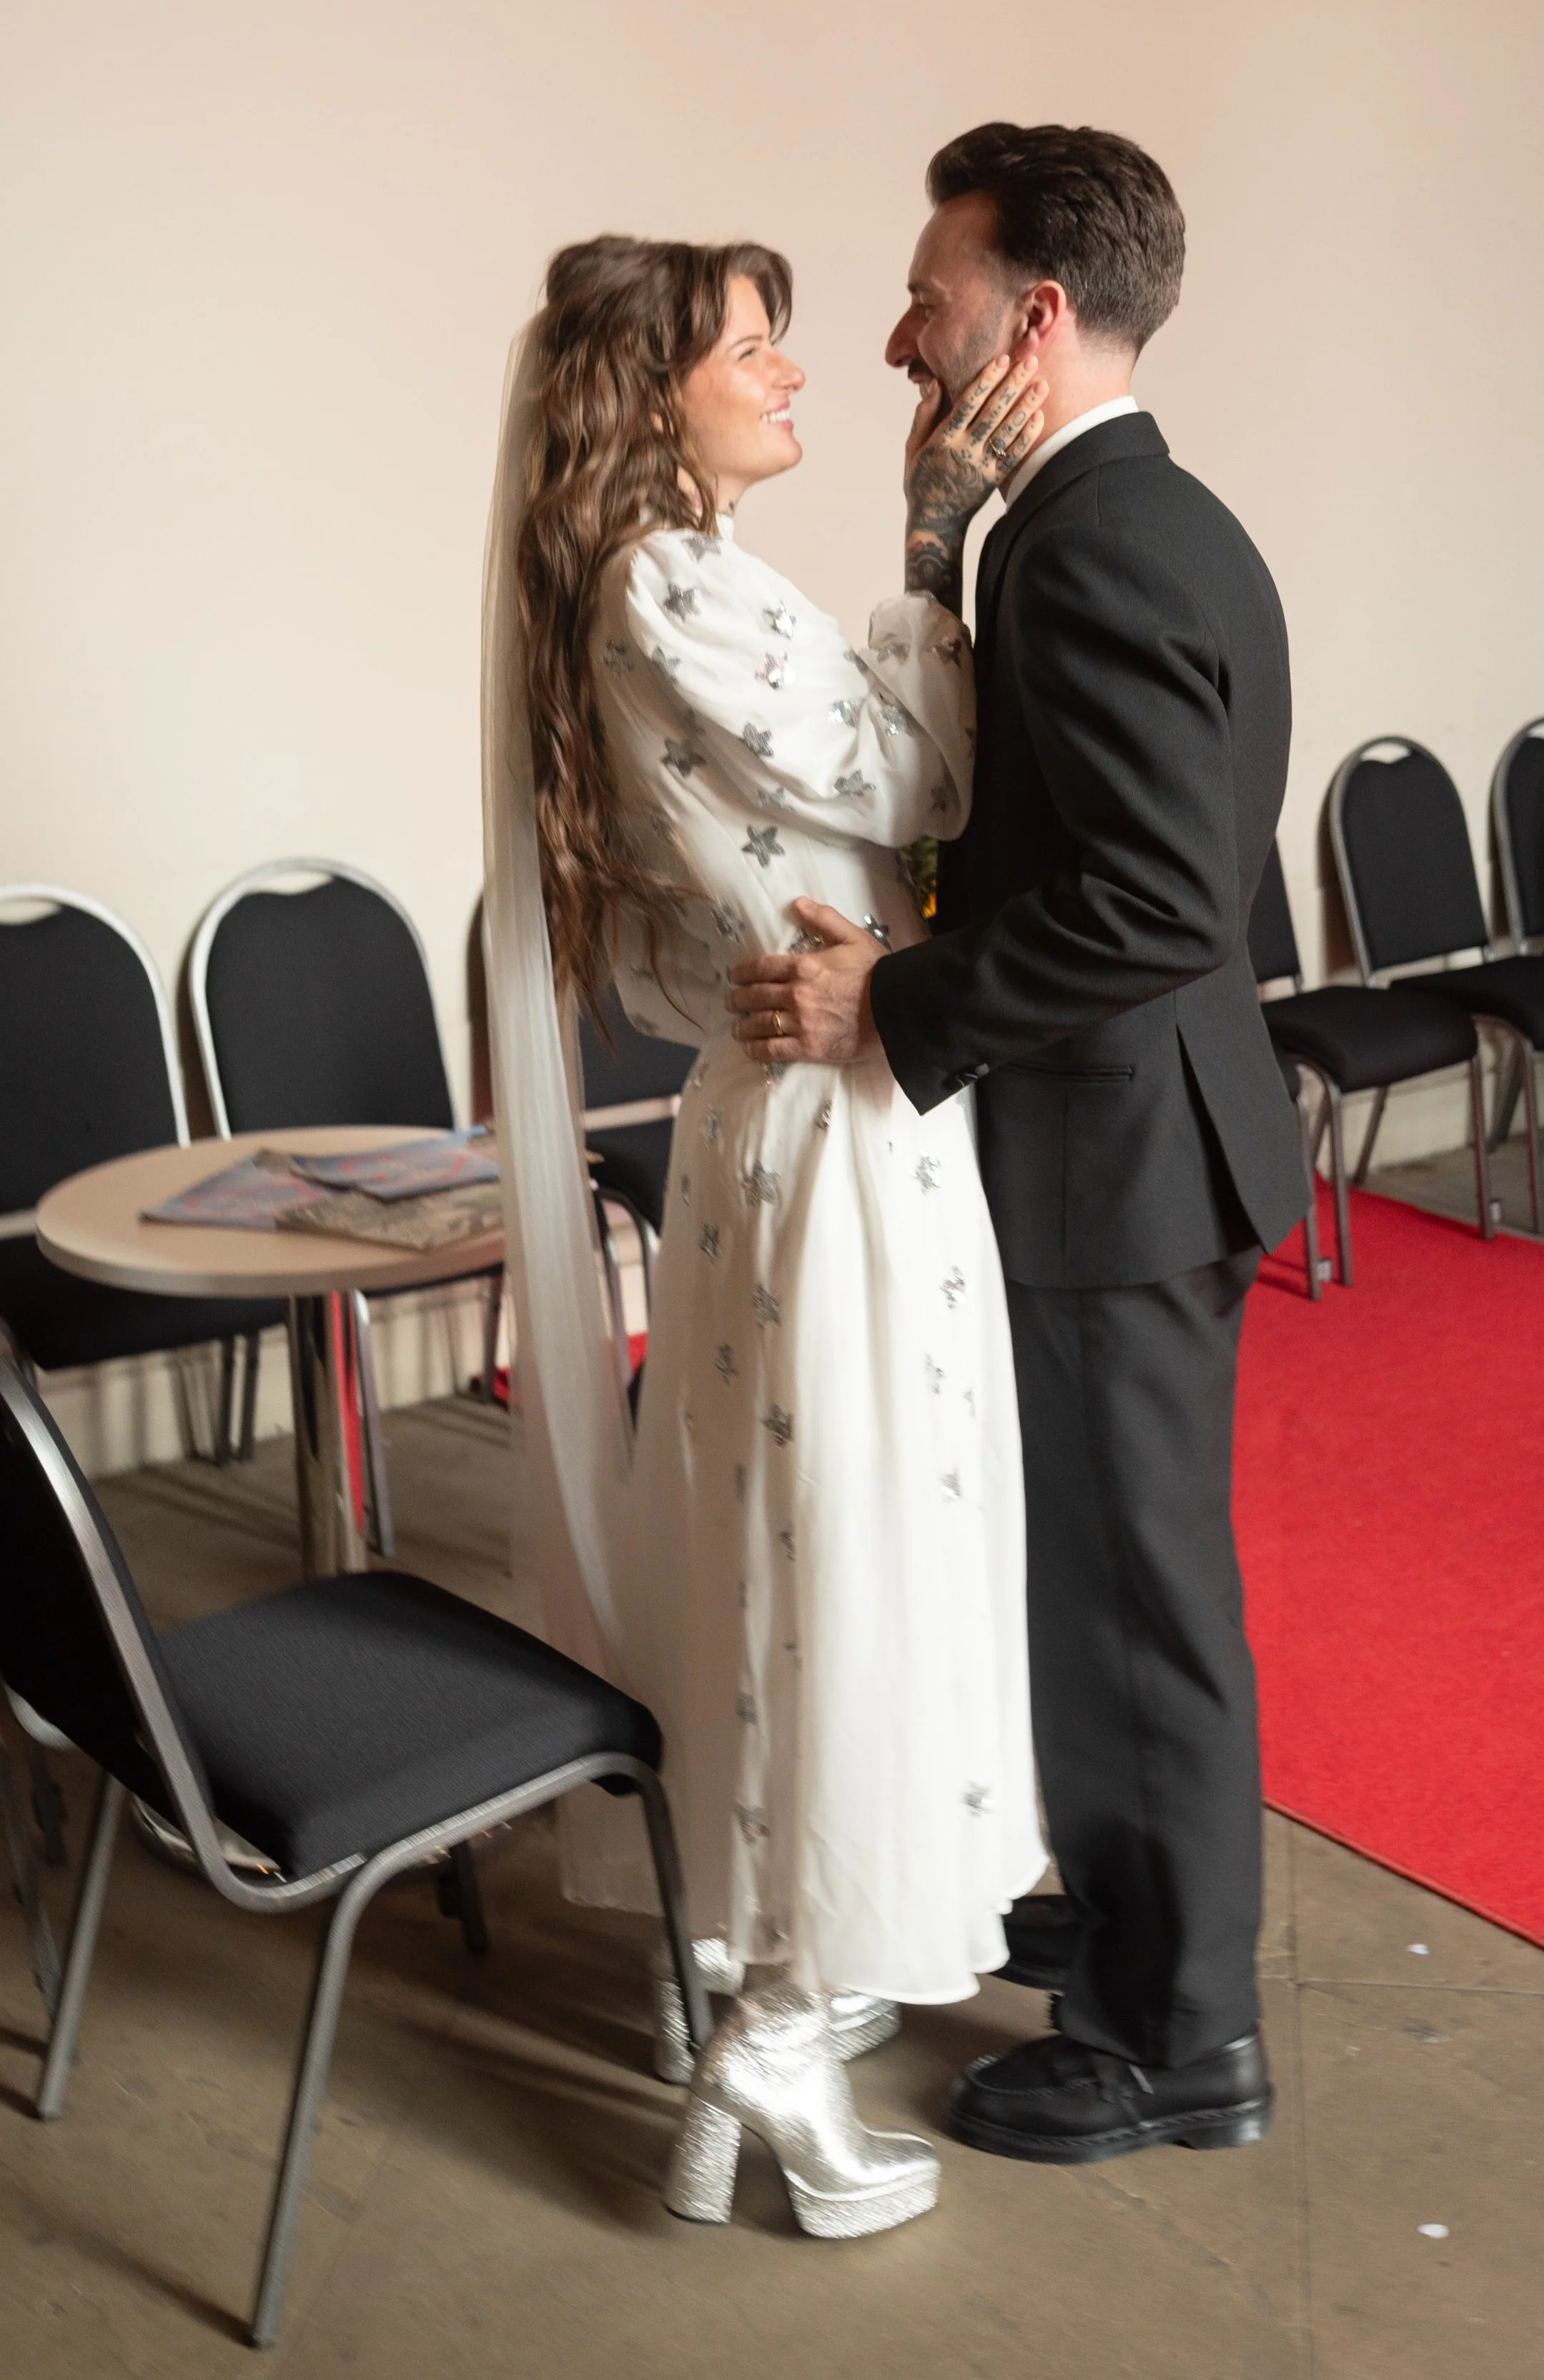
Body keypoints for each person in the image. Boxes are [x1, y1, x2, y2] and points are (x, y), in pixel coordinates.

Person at [726, 124, 1307, 2167]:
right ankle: (1136, 1927)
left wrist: (892, 1004)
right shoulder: (1118, 520)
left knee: (1137, 1604)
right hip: (1135, 1136)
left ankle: (1178, 2042)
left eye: (931, 295)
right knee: (1103, 1585)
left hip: (1118, 1154)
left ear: (1032, 315)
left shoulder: (1098, 545)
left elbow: (1161, 899)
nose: (898, 332)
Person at [478, 233, 1049, 2239]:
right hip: (826, 1124)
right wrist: (934, 533)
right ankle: (784, 2038)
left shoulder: (688, 577)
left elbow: (866, 823)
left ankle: (753, 1973)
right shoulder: (665, 582)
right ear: (650, 400)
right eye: (751, 345)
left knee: (793, 1539)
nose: (795, 369)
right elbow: (919, 774)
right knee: (844, 1544)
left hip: (817, 1101)